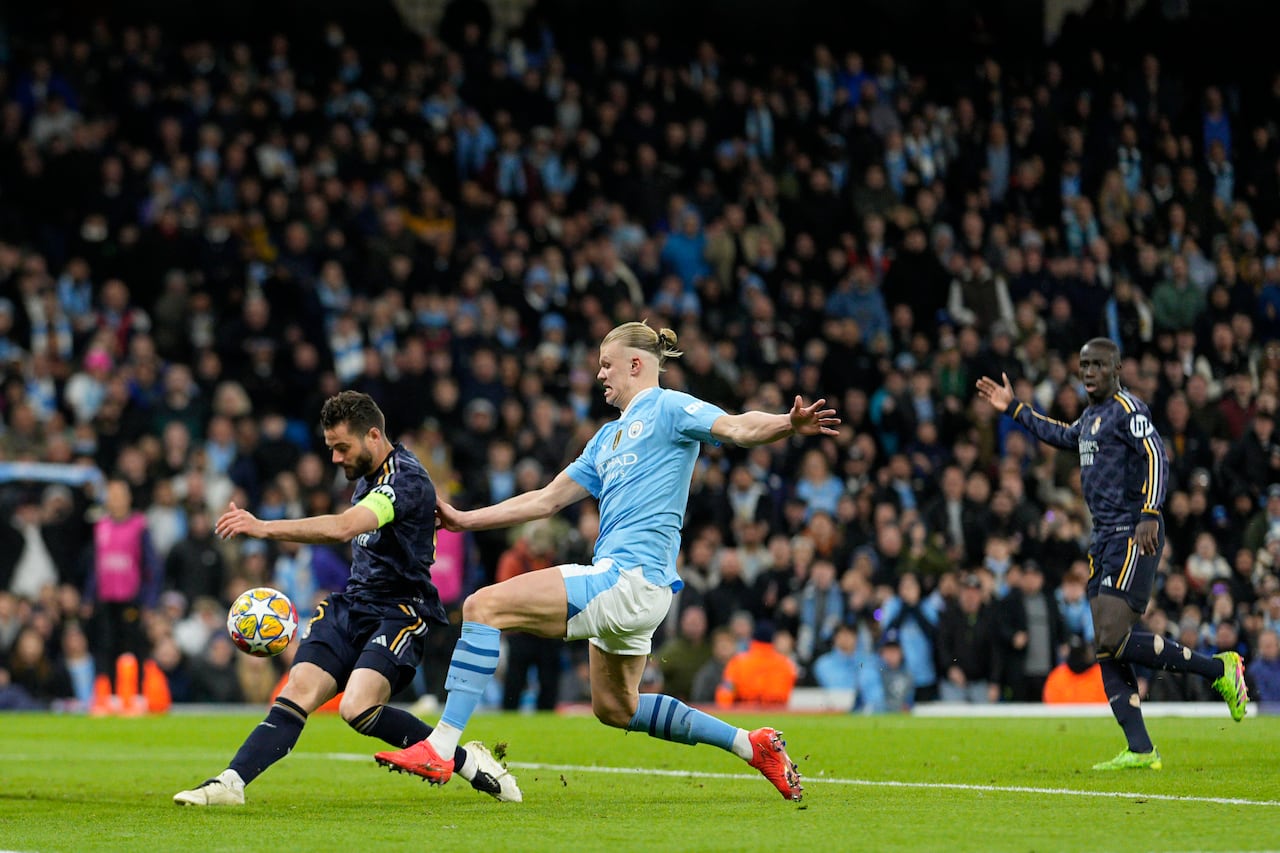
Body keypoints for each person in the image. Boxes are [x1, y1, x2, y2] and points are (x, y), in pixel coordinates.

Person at [376, 322, 839, 801]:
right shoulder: (605, 439)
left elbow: (737, 426)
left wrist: (787, 424)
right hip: (638, 590)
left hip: (627, 580)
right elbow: (545, 500)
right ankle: (751, 744)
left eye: (605, 364)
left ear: (636, 365)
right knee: (617, 708)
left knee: (480, 606)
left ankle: (441, 744)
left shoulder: (668, 407)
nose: (599, 375)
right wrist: (463, 519)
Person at [173, 391, 520, 805]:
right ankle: (230, 783)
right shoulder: (369, 477)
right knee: (296, 690)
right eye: (331, 448)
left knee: (356, 708)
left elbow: (343, 528)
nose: (335, 458)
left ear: (374, 435)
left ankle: (466, 760)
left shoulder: (403, 479)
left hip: (400, 611)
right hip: (352, 604)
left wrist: (263, 527)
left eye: (342, 447)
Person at [977, 337, 1248, 770]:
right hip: (1103, 537)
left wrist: (1150, 511)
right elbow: (1061, 435)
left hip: (1133, 533)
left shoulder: (1128, 409)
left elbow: (1156, 454)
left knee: (1110, 637)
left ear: (1116, 368)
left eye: (1098, 365)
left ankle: (1220, 671)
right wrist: (1015, 409)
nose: (1088, 372)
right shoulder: (1090, 418)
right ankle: (1140, 748)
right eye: (1083, 364)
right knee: (1108, 647)